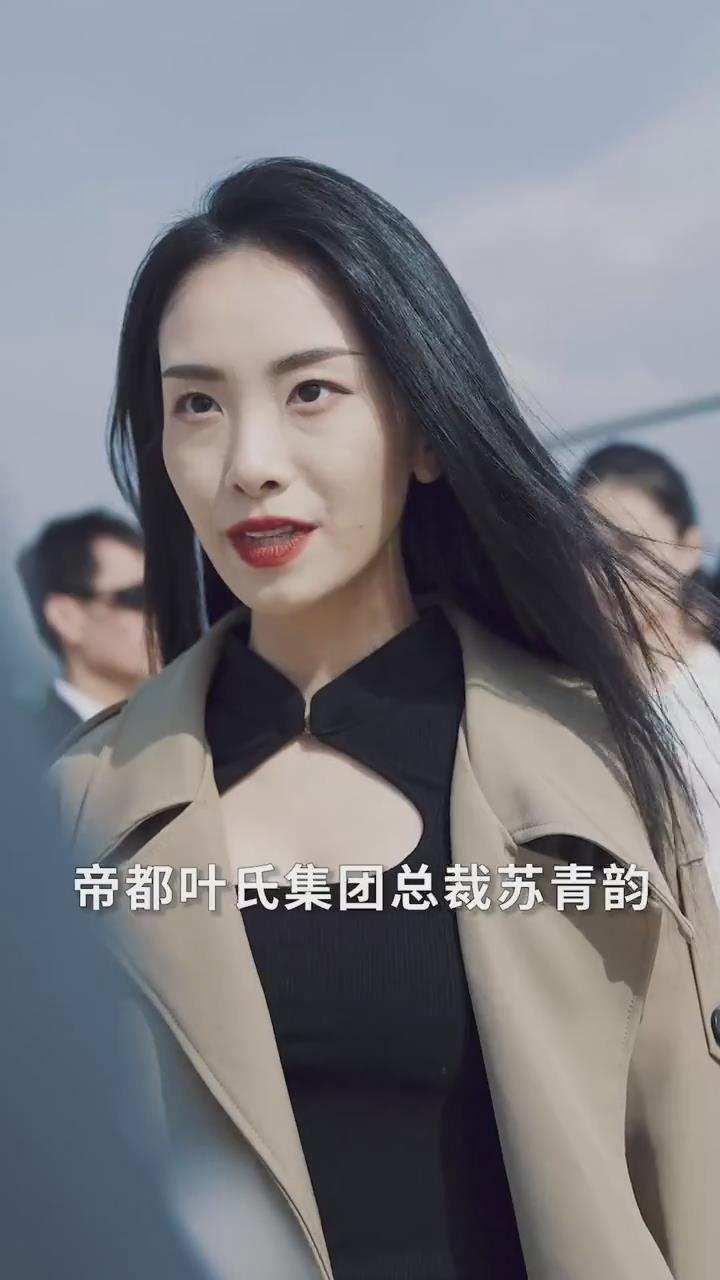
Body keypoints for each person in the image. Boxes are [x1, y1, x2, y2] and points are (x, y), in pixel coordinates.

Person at [52, 158, 720, 1280]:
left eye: (311, 391)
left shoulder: (599, 756)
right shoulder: (77, 811)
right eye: (197, 404)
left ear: (424, 429)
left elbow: (695, 1176)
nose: (250, 464)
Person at [576, 444, 720, 907]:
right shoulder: (567, 701)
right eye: (591, 550)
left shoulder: (710, 691)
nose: (610, 570)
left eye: (631, 547)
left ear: (688, 548)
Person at [17, 509, 151, 750]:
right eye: (137, 598)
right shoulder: (24, 753)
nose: (159, 614)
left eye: (164, 594)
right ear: (66, 617)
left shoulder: (190, 731)